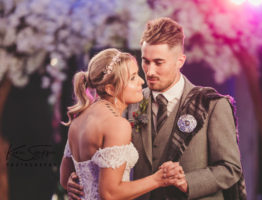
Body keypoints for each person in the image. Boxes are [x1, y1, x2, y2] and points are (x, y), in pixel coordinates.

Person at [67, 18, 246, 200]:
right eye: (146, 61)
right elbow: (92, 154)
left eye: (159, 63)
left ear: (180, 61)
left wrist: (188, 182)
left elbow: (230, 168)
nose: (150, 72)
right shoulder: (126, 100)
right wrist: (73, 179)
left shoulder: (212, 105)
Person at [60, 48, 186, 200]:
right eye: (133, 78)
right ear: (110, 89)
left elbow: (65, 179)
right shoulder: (116, 124)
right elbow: (110, 193)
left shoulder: (80, 117)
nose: (141, 81)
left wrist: (72, 181)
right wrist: (158, 179)